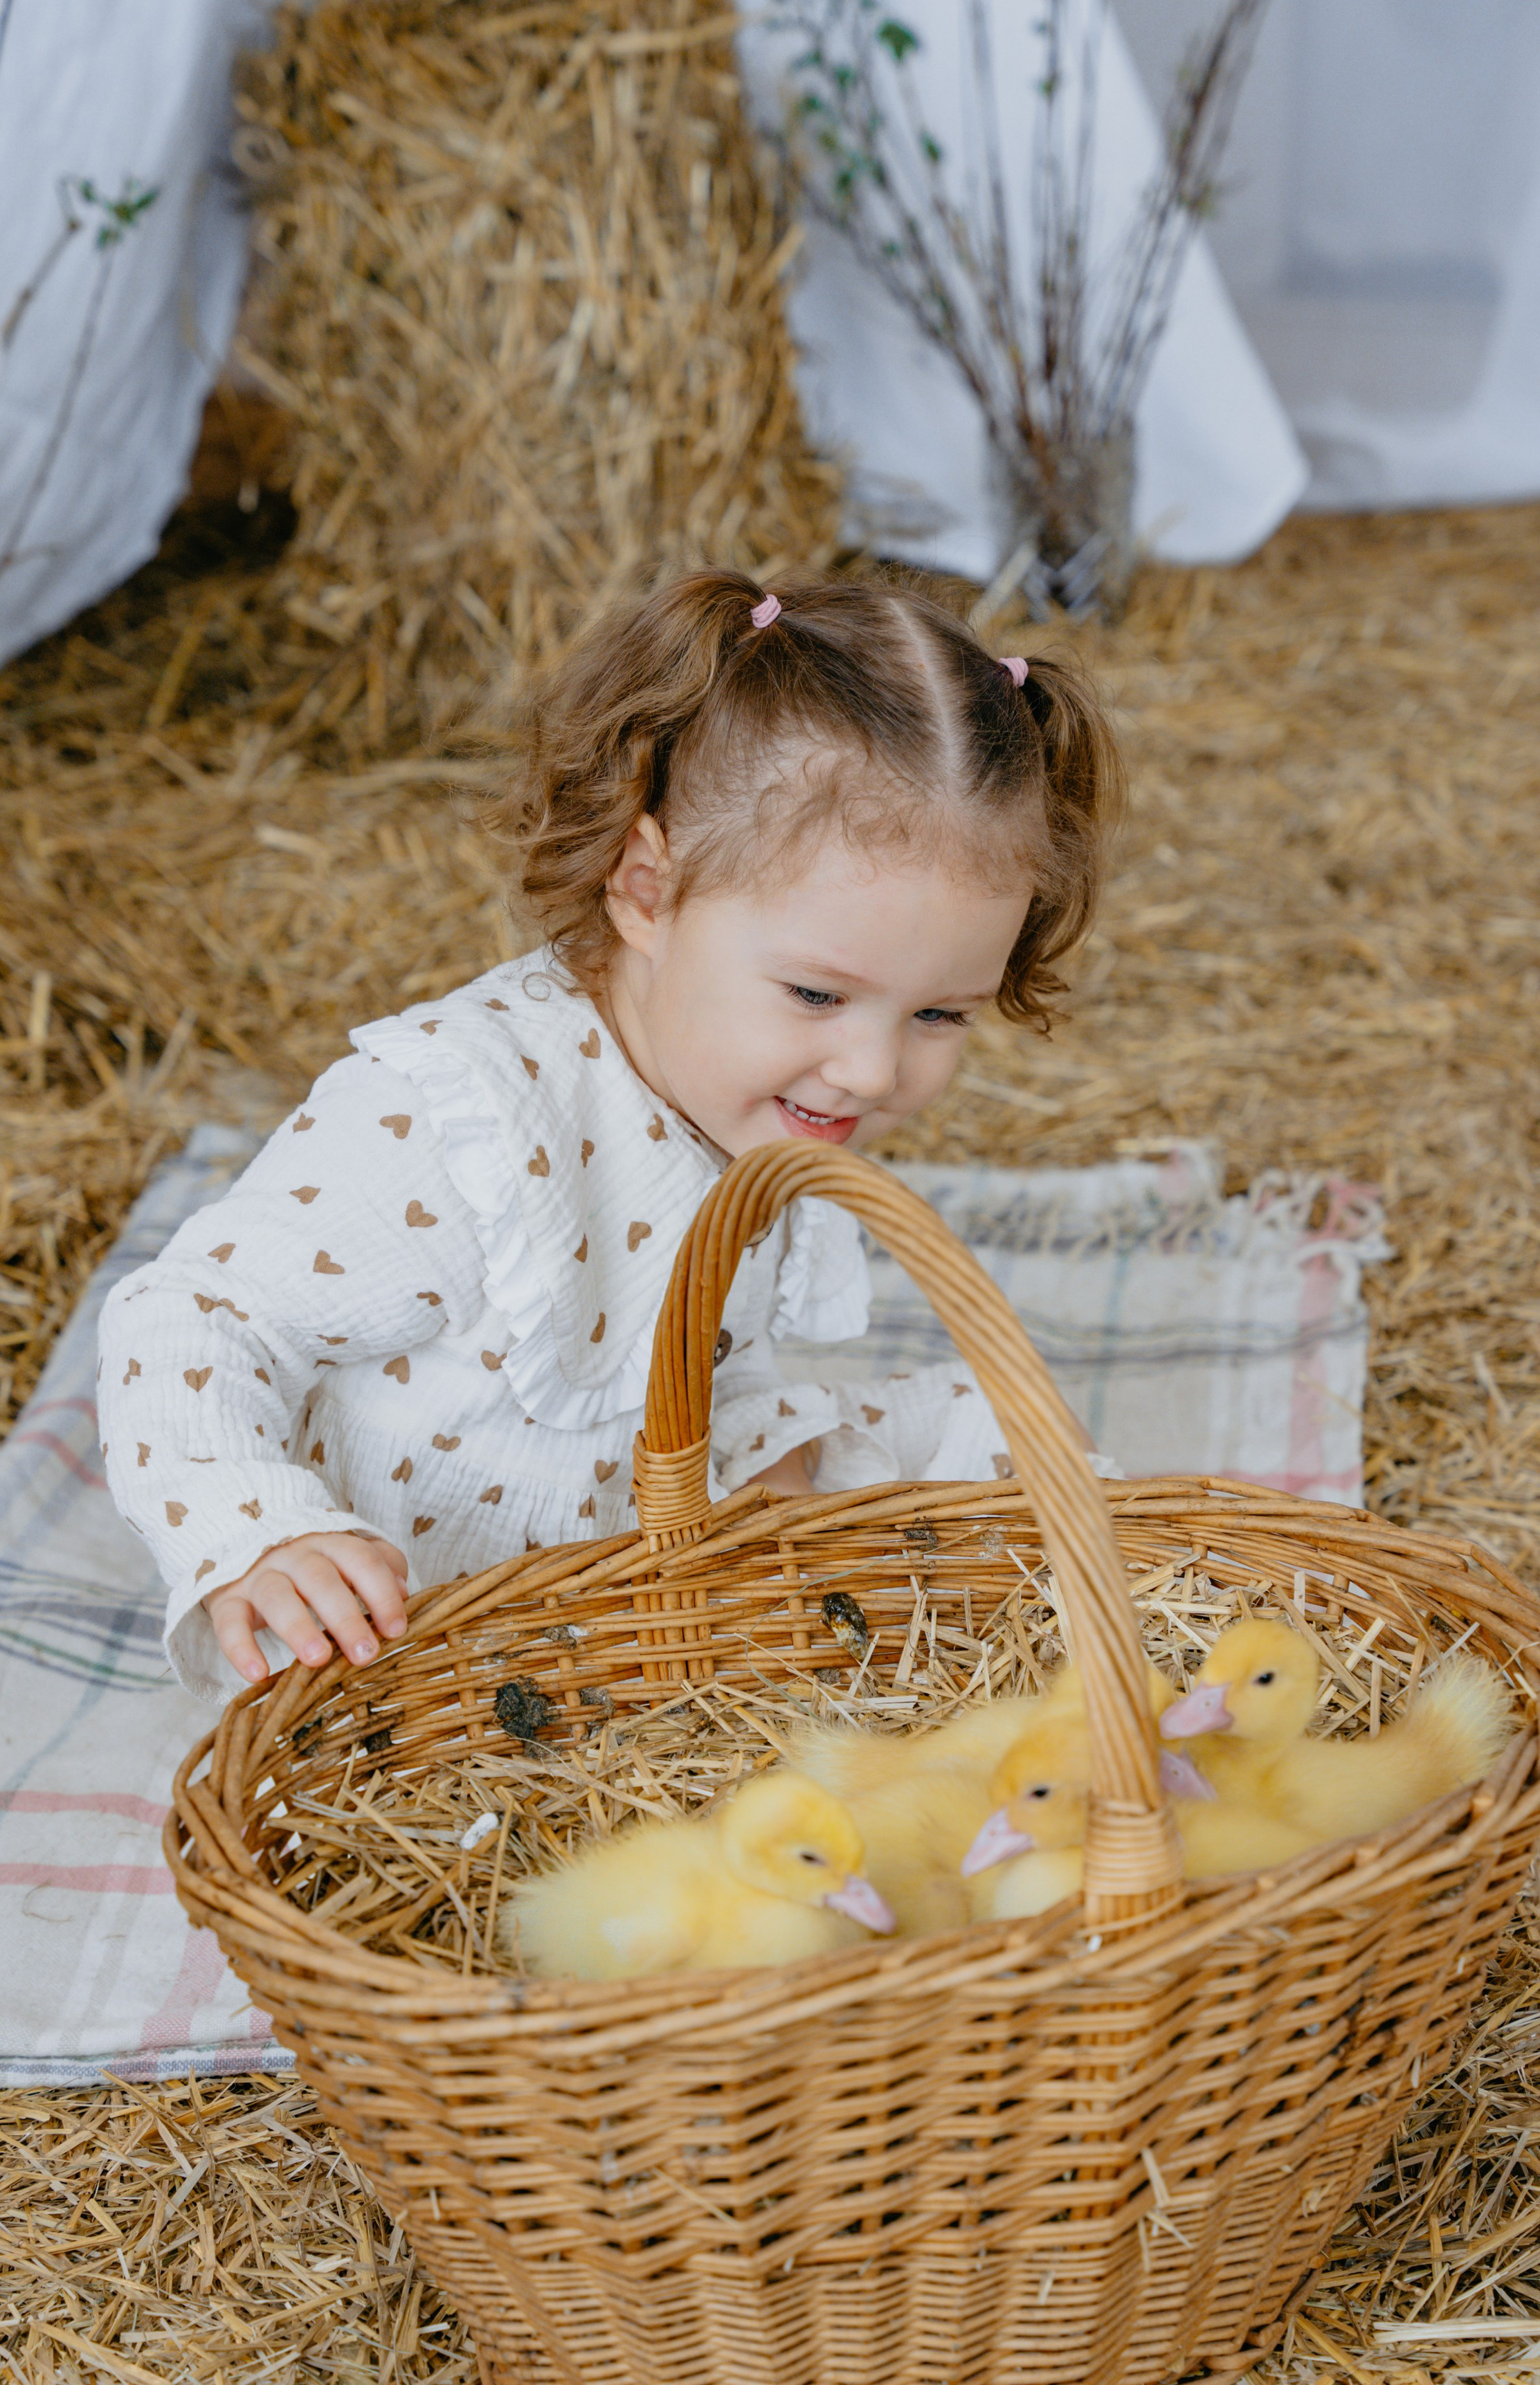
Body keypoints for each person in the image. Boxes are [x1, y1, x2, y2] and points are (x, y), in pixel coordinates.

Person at [99, 569, 1123, 1696]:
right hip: (425, 1652)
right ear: (645, 888)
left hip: (626, 1580)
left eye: (940, 1015)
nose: (875, 1070)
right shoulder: (462, 1121)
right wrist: (266, 1535)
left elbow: (679, 1363)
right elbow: (190, 1316)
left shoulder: (735, 1097)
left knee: (1003, 1443)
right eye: (818, 997)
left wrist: (766, 1482)